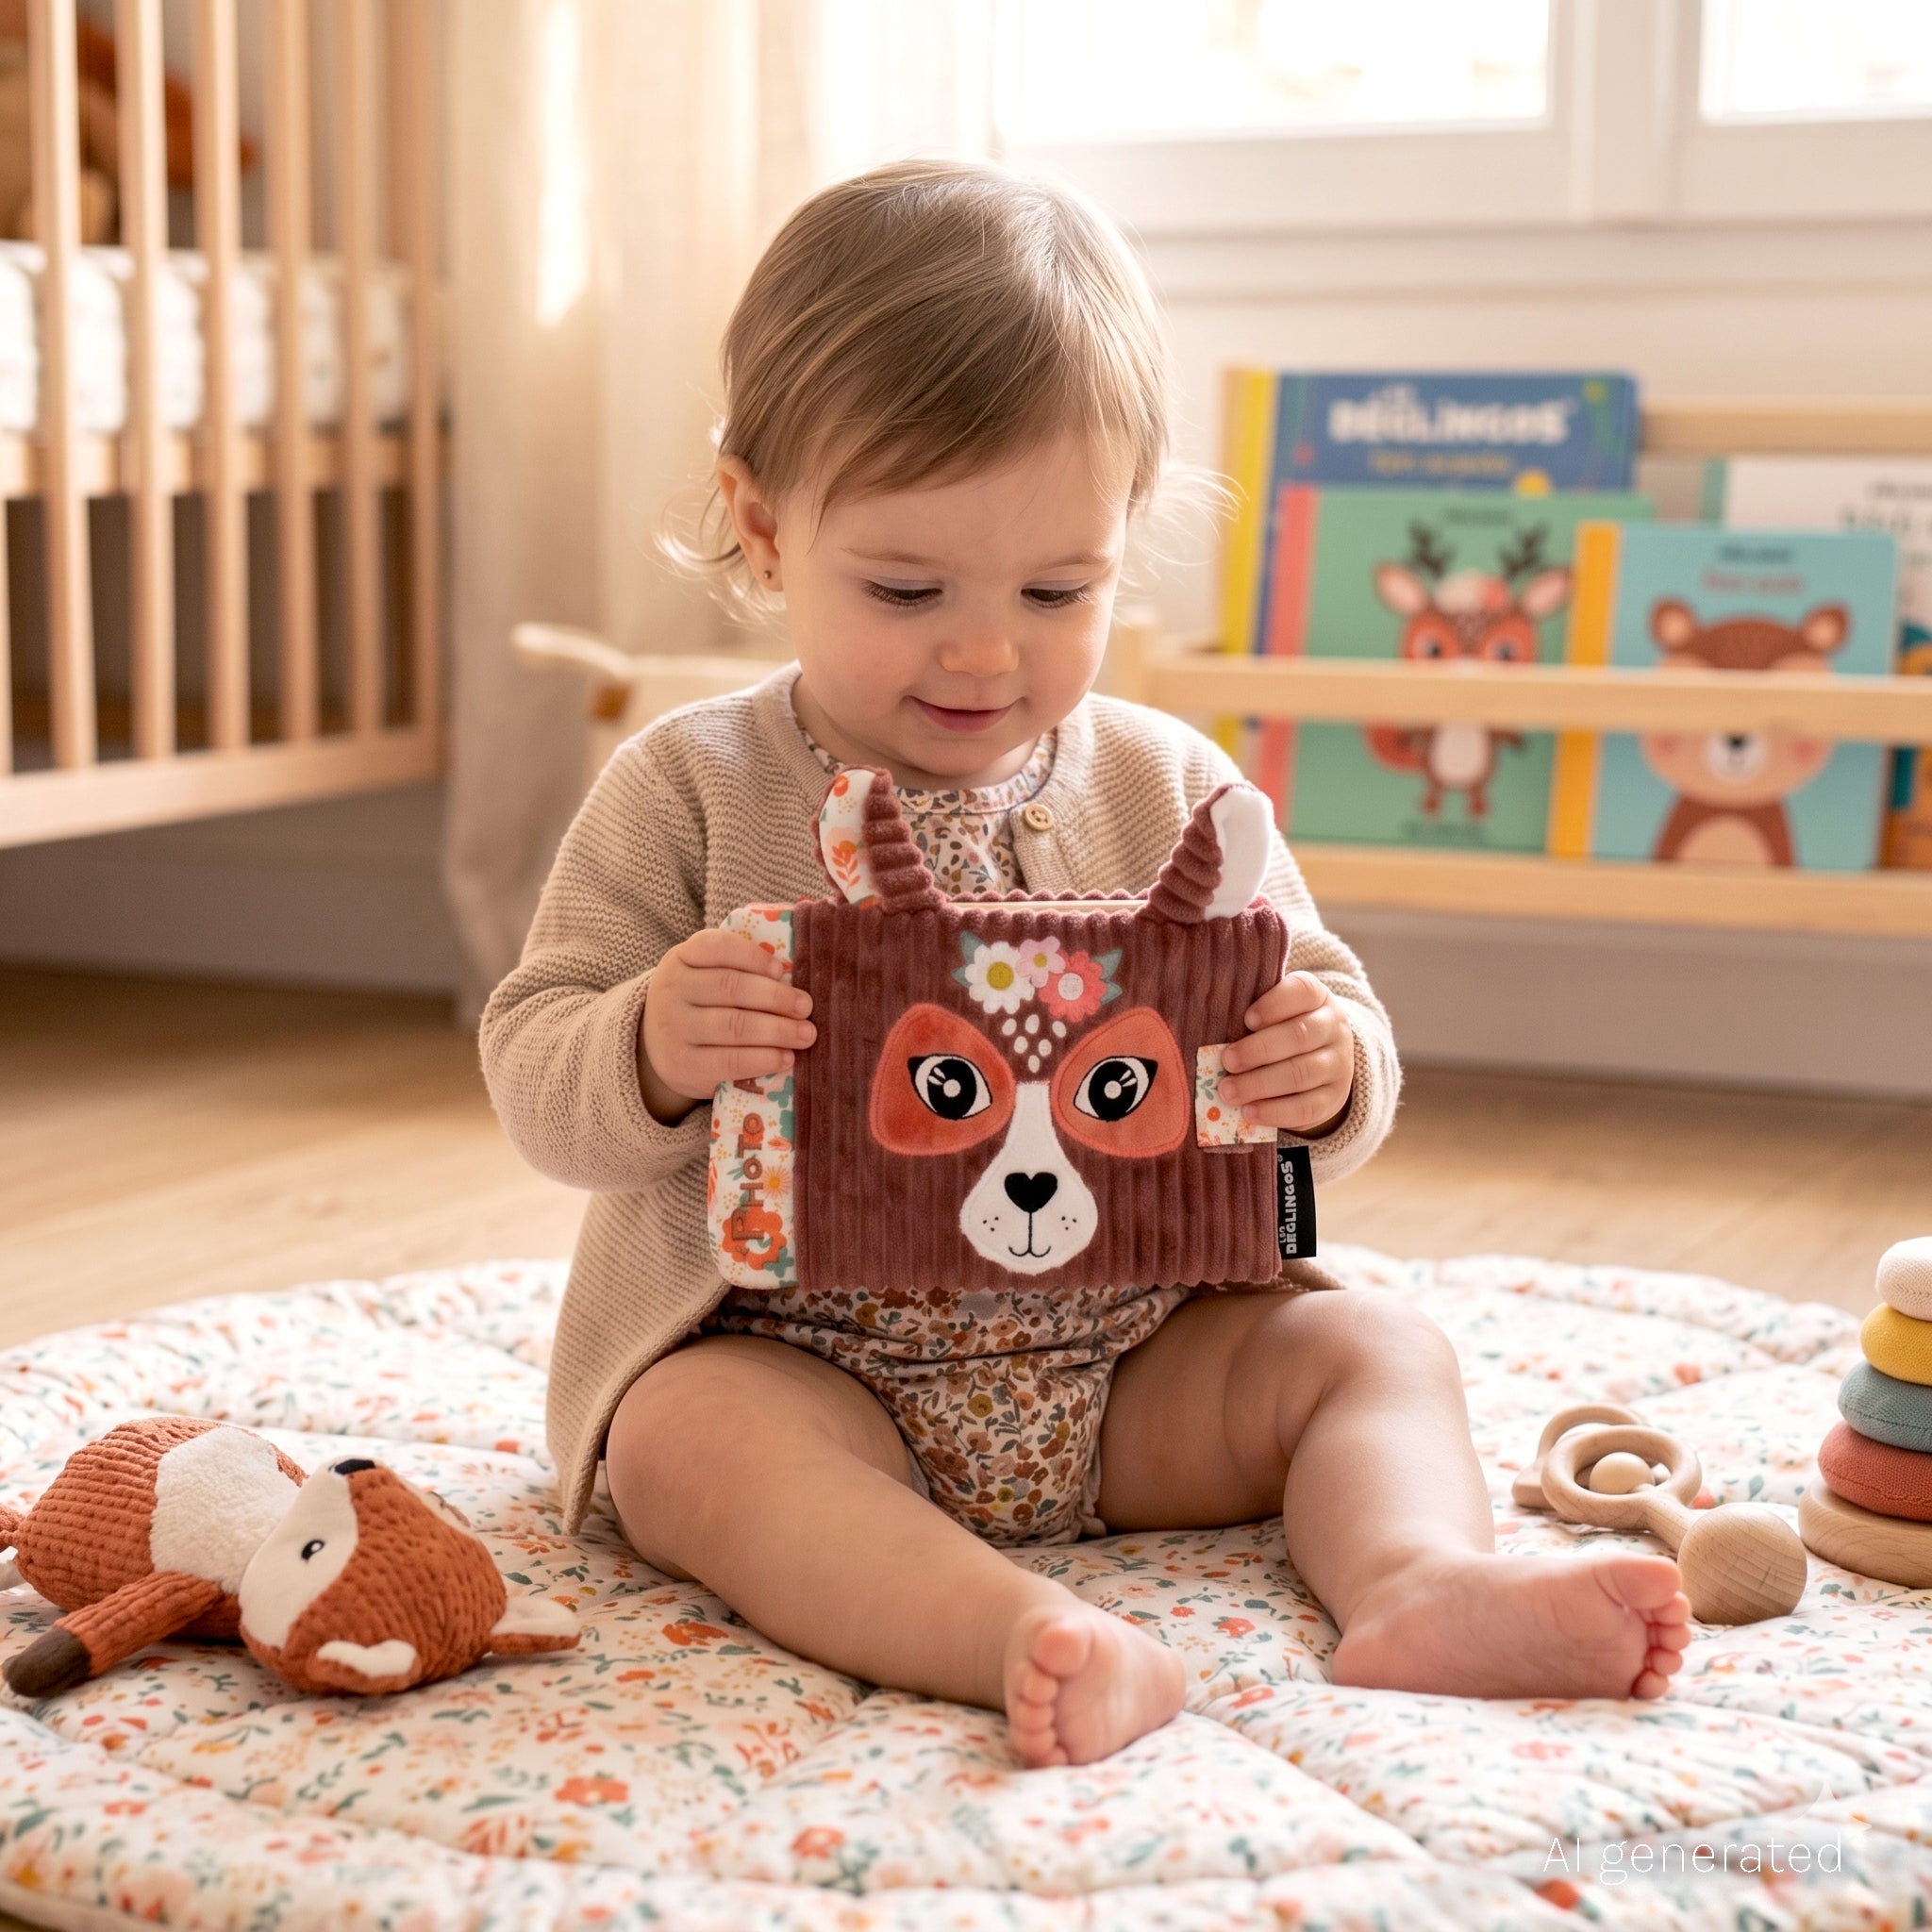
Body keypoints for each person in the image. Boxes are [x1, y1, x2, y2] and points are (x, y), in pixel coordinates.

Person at [481, 159, 1690, 1771]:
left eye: (1060, 591)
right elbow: (538, 1070)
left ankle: (1421, 1581)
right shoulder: (686, 785)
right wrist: (645, 1042)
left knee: (1378, 1347)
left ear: (1128, 538)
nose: (987, 651)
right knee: (687, 1450)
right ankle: (1007, 1635)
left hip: (1134, 1369)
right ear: (766, 527)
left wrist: (1320, 1067)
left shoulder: (1170, 784)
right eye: (907, 590)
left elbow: (1329, 1024)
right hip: (803, 1361)